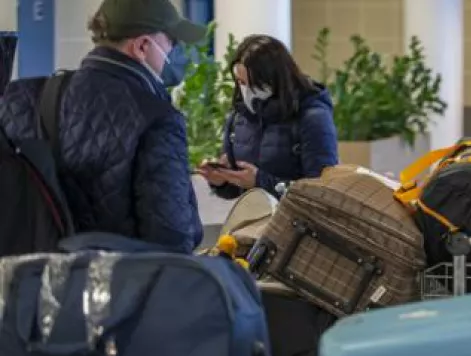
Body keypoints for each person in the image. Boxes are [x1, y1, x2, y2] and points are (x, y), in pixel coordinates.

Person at [0, 0, 205, 253]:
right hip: (113, 287)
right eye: (172, 42)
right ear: (142, 46)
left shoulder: (19, 98)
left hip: (25, 283)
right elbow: (171, 240)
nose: (176, 51)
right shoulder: (157, 117)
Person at [199, 35, 338, 199]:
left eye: (255, 84)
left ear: (275, 79)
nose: (247, 92)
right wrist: (222, 181)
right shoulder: (239, 117)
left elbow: (322, 192)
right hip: (254, 219)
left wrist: (260, 181)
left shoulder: (312, 117)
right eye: (241, 83)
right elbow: (239, 190)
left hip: (296, 222)